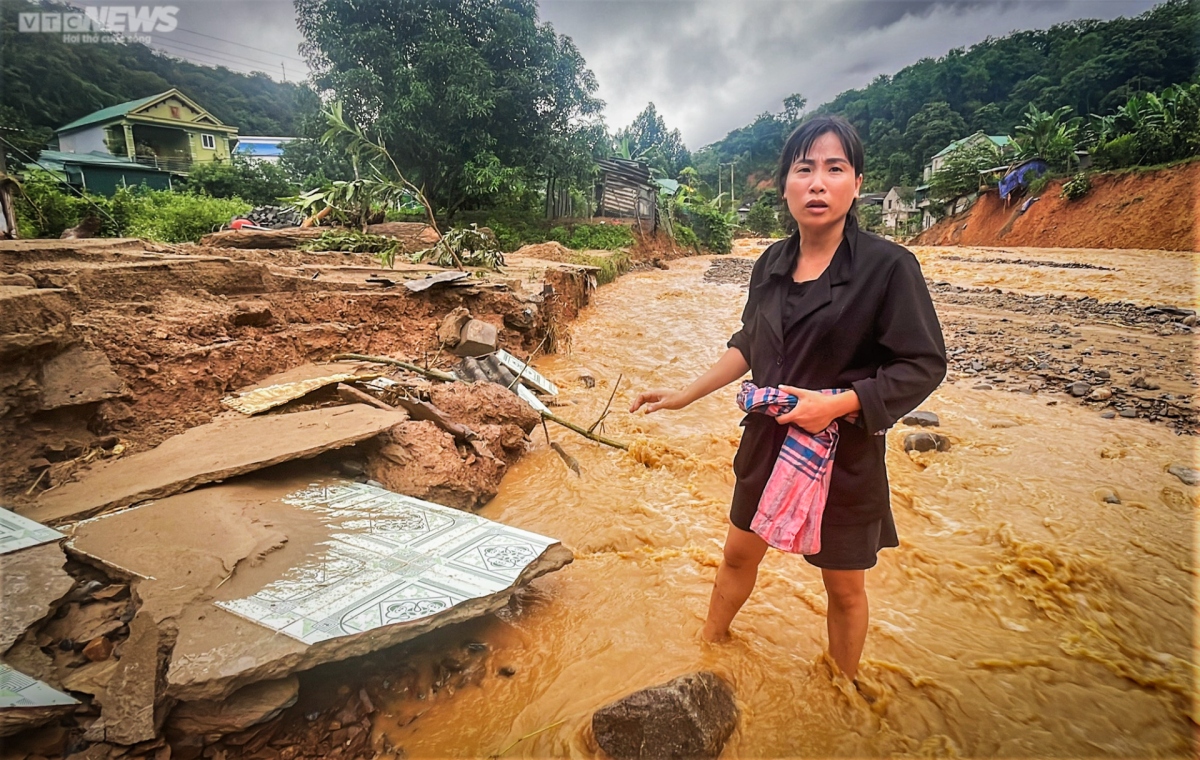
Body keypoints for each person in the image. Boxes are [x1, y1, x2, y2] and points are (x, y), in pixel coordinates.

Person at [629, 115, 946, 682]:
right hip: (769, 441)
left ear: (857, 182)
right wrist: (683, 395)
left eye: (834, 168)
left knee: (845, 588)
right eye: (804, 169)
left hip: (844, 453)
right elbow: (751, 343)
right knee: (735, 556)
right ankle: (708, 648)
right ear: (785, 185)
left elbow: (922, 364)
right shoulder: (771, 264)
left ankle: (841, 688)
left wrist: (838, 404)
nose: (818, 183)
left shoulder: (889, 268)